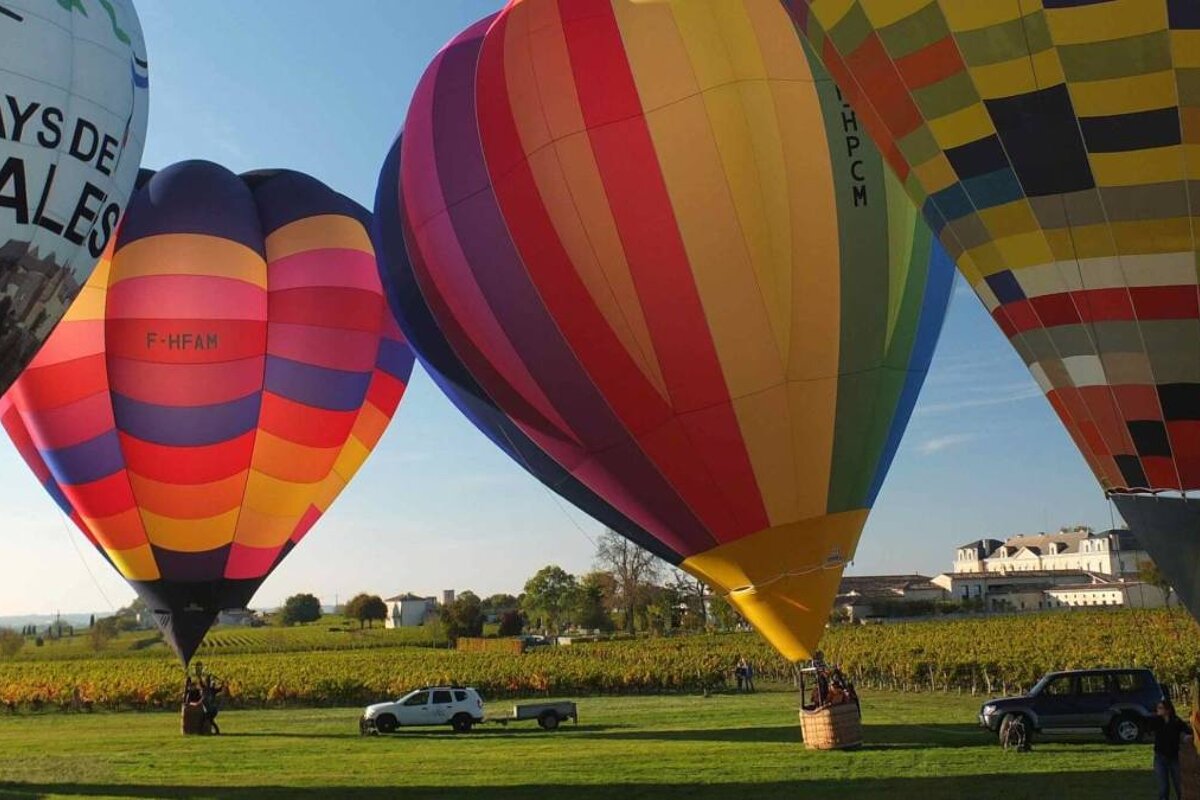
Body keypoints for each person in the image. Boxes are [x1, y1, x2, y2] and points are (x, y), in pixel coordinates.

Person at [1149, 699, 1190, 800]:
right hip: (1160, 758)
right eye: (1157, 708)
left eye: (1160, 708)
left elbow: (1187, 730)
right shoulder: (1156, 721)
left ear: (1168, 710)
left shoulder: (1176, 721)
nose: (1158, 710)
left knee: (1179, 786)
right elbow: (1147, 725)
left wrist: (1186, 737)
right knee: (1163, 788)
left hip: (1174, 758)